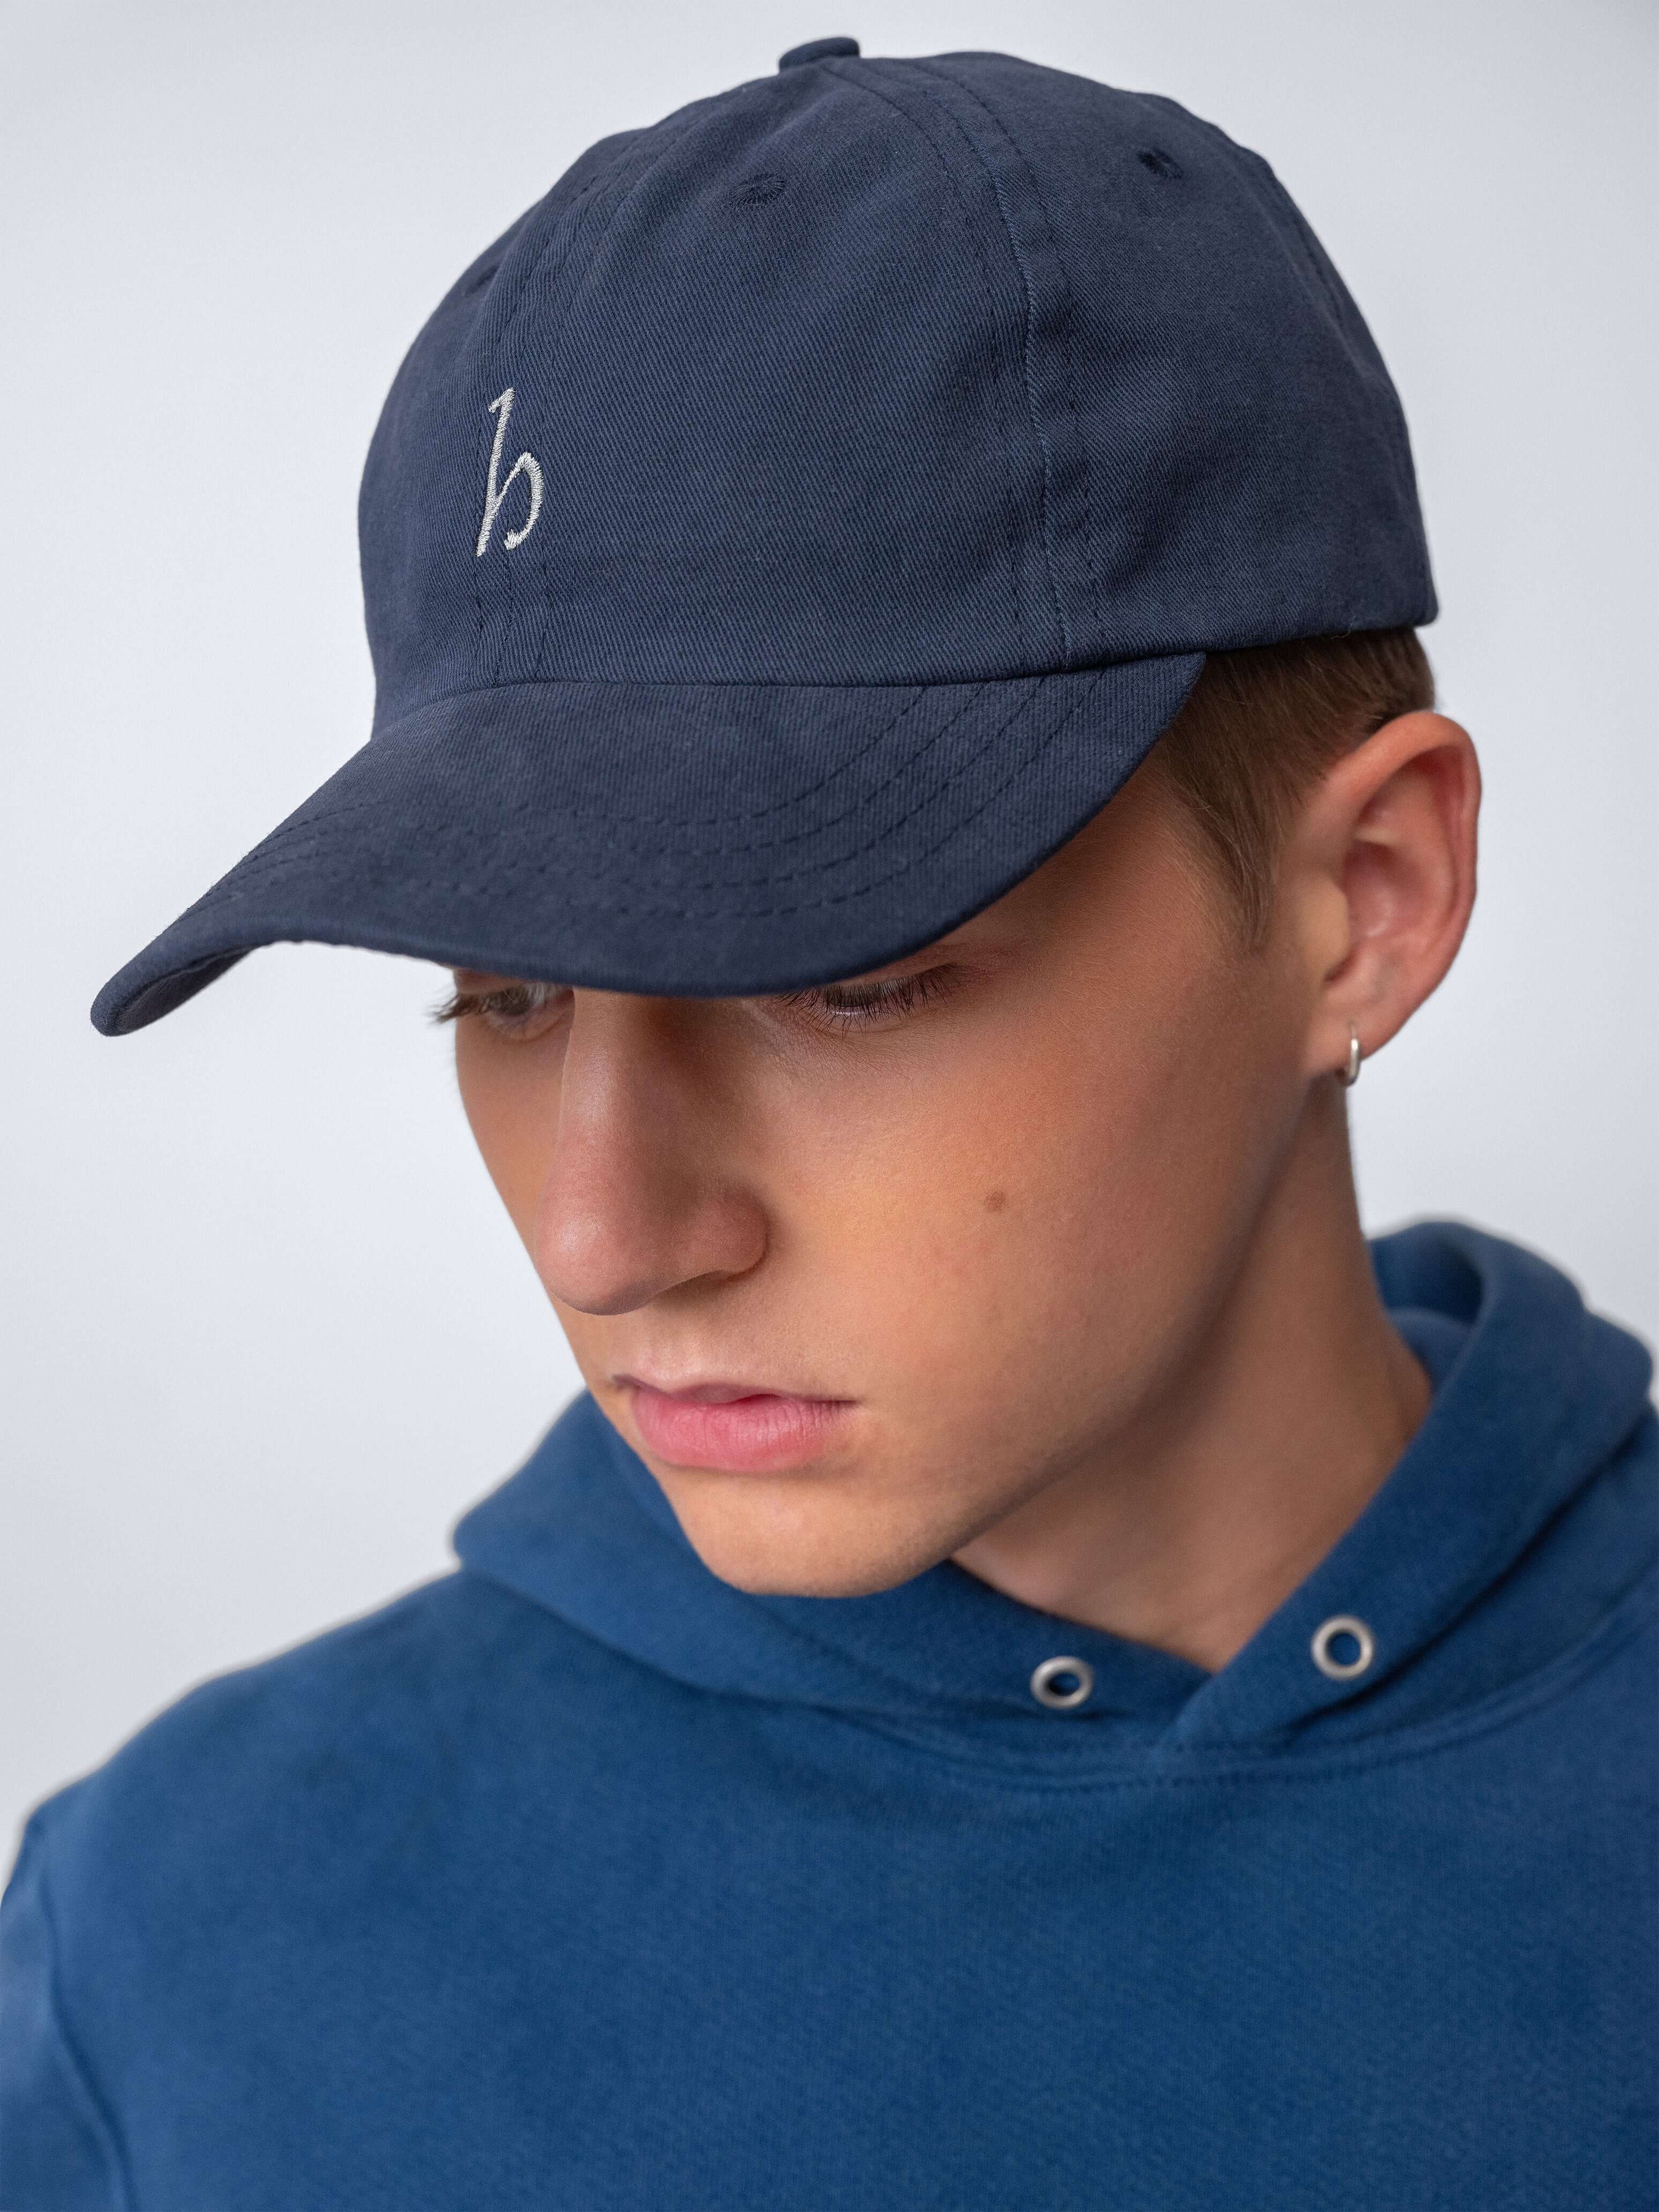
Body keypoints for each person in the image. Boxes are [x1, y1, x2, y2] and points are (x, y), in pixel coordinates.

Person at [2, 36, 1651, 2210]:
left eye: (846, 973)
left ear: (1366, 905)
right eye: (503, 988)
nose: (607, 1229)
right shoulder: (175, 1931)